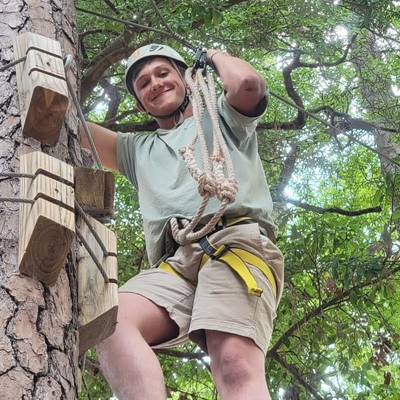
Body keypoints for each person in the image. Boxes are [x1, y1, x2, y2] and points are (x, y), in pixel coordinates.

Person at [81, 44, 284, 400]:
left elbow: (248, 84)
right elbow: (75, 130)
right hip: (176, 262)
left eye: (163, 73)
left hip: (235, 243)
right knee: (110, 318)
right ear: (141, 103)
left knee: (234, 365)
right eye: (143, 83)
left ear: (186, 78)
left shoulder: (223, 118)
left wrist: (214, 56)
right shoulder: (136, 150)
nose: (154, 84)